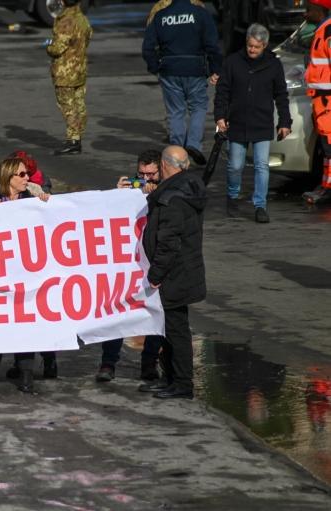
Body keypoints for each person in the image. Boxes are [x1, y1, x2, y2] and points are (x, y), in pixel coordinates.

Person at [0, 156, 50, 394]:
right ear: (8, 177)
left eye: (27, 174)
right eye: (22, 175)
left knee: (25, 326)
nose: (28, 178)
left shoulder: (33, 199)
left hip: (26, 274)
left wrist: (47, 205)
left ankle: (26, 375)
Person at [139, 146, 207, 399]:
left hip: (175, 274)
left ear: (166, 165)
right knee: (168, 327)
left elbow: (169, 241)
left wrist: (156, 274)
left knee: (175, 330)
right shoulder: (188, 186)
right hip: (183, 271)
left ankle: (181, 383)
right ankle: (170, 378)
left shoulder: (173, 198)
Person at [96, 150, 164, 383]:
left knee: (156, 312)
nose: (146, 180)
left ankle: (149, 364)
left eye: (151, 174)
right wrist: (117, 195)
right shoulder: (128, 190)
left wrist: (157, 193)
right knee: (117, 311)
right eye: (141, 174)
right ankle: (108, 363)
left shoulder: (168, 190)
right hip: (126, 262)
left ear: (161, 171)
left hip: (153, 260)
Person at [214, 23, 291, 224]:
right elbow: (222, 91)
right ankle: (232, 195)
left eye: (256, 47)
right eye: (250, 46)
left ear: (264, 45)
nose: (252, 50)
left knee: (262, 165)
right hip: (237, 122)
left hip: (262, 123)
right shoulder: (232, 62)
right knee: (235, 166)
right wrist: (220, 117)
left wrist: (285, 121)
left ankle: (260, 206)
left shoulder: (274, 65)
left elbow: (281, 95)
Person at [142, 0, 222, 165]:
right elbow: (212, 45)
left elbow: (147, 47)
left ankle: (176, 150)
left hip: (169, 69)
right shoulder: (200, 14)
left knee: (175, 112)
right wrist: (216, 69)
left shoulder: (161, 16)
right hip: (194, 69)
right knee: (198, 108)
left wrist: (155, 67)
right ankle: (193, 145)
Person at [46, 0, 93, 155]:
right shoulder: (83, 19)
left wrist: (48, 45)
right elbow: (88, 37)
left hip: (65, 72)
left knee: (68, 107)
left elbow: (57, 48)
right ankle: (78, 136)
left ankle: (73, 141)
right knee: (79, 104)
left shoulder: (64, 21)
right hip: (80, 70)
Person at [302, 0, 331, 205]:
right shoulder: (323, 29)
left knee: (330, 146)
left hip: (327, 99)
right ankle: (326, 186)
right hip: (322, 98)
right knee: (327, 147)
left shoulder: (328, 31)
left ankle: (328, 189)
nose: (305, 13)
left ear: (320, 10)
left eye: (308, 9)